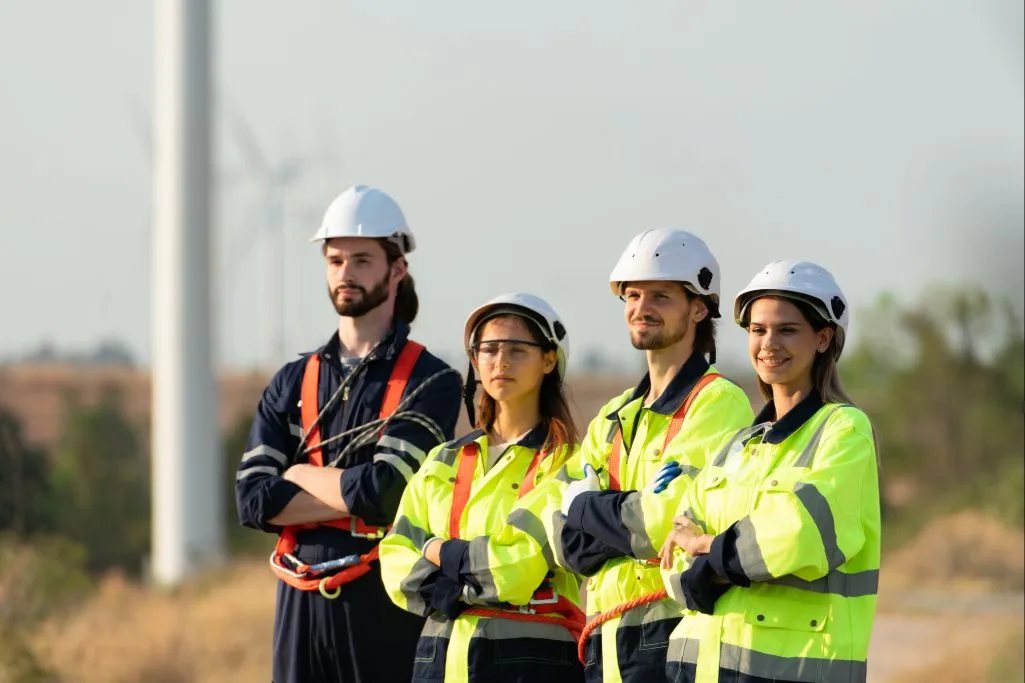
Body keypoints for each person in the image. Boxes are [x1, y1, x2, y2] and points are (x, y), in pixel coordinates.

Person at [234, 184, 463, 683]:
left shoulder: (432, 381)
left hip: (383, 601)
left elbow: (385, 493)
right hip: (299, 606)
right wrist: (349, 496)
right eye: (335, 261)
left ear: (397, 269)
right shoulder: (292, 381)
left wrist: (297, 473)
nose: (345, 273)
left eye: (361, 260)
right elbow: (252, 500)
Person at [658, 259, 881, 683]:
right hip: (700, 669)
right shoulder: (737, 446)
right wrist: (713, 557)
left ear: (823, 338)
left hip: (790, 670)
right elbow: (671, 556)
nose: (769, 343)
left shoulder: (844, 429)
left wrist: (709, 546)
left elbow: (799, 533)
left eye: (787, 330)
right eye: (758, 330)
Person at [551, 229, 755, 683]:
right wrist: (615, 519)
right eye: (633, 295)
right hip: (603, 637)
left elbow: (664, 523)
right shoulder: (613, 414)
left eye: (660, 296)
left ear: (699, 308)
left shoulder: (717, 402)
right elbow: (564, 541)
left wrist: (584, 506)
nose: (641, 308)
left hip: (673, 630)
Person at [379, 293, 586, 683]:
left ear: (549, 360)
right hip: (439, 659)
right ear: (475, 361)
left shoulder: (570, 463)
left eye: (517, 350)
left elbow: (518, 568)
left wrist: (437, 552)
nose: (501, 361)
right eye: (488, 350)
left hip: (532, 661)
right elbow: (394, 559)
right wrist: (470, 584)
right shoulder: (443, 460)